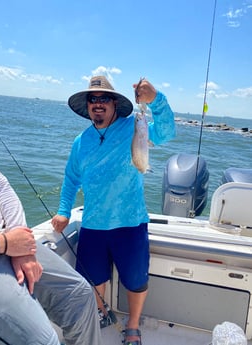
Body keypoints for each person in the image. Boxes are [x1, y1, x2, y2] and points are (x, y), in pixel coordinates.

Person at [52, 75, 175, 345]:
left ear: (114, 104)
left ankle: (132, 325)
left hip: (130, 223)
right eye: (92, 100)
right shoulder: (80, 142)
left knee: (135, 280)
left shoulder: (134, 125)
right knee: (92, 279)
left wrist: (156, 99)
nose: (98, 104)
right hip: (94, 224)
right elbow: (71, 179)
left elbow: (167, 132)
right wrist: (63, 210)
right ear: (87, 106)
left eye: (103, 98)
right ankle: (100, 312)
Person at [0, 167, 101, 345]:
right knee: (43, 341)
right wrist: (4, 243)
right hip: (3, 243)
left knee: (79, 294)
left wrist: (19, 240)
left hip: (8, 237)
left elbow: (0, 186)